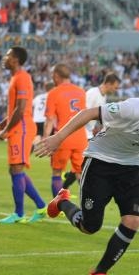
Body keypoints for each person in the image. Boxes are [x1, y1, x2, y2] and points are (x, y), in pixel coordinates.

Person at [35, 98, 139, 275]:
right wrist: (58, 138)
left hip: (133, 168)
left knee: (133, 220)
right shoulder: (133, 108)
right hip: (101, 163)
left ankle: (99, 274)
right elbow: (88, 113)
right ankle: (62, 202)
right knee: (90, 226)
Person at [0, 46, 46, 224]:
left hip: (23, 128)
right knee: (15, 170)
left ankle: (19, 214)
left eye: (8, 55)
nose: (5, 58)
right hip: (19, 127)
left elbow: (21, 109)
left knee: (17, 169)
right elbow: (13, 111)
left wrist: (5, 131)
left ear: (16, 59)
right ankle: (41, 206)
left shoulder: (23, 78)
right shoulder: (15, 78)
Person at [63, 72, 121, 190]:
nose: (116, 90)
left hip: (88, 133)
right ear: (108, 84)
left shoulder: (103, 96)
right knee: (84, 163)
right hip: (82, 132)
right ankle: (81, 189)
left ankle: (65, 186)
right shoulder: (92, 93)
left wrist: (97, 127)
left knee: (82, 163)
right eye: (115, 87)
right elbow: (81, 113)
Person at [43, 63, 87, 197]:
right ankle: (88, 206)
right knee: (80, 173)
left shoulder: (54, 93)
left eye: (52, 75)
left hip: (63, 137)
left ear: (56, 76)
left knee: (57, 172)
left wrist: (46, 140)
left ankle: (58, 207)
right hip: (80, 138)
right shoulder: (81, 91)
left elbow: (50, 119)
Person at [32, 81, 54, 146]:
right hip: (46, 120)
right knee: (51, 136)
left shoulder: (38, 97)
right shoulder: (53, 96)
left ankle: (31, 149)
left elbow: (32, 106)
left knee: (38, 136)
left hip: (36, 119)